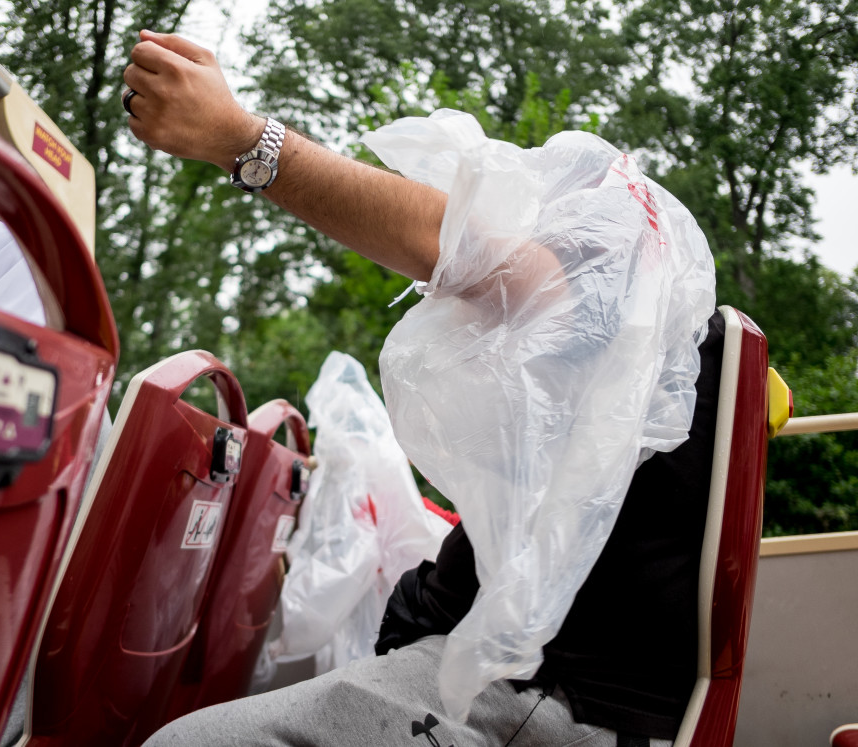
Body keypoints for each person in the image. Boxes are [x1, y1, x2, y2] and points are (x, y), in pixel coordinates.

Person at [124, 30, 718, 747]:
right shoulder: (635, 378)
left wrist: (240, 138)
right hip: (523, 678)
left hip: (535, 696)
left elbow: (468, 251)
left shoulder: (627, 311)